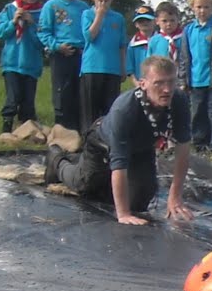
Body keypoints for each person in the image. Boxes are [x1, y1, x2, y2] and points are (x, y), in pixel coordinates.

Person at [47, 55, 193, 226]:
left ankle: (89, 169)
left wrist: (175, 197)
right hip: (103, 145)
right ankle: (56, 159)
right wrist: (123, 214)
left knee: (141, 198)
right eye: (159, 83)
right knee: (84, 185)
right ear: (143, 84)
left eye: (171, 82)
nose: (167, 89)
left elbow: (183, 149)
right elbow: (119, 164)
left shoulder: (179, 100)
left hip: (141, 147)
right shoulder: (125, 109)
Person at [37, 0, 87, 130]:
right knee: (62, 92)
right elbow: (43, 31)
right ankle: (62, 128)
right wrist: (57, 46)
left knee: (80, 92)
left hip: (82, 53)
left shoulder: (84, 8)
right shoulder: (51, 6)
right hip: (61, 53)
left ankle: (81, 129)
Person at [0, 0, 44, 134]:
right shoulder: (9, 9)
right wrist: (13, 22)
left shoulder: (41, 12)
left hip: (31, 64)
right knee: (12, 98)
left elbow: (41, 41)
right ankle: (6, 128)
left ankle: (27, 130)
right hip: (12, 63)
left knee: (28, 101)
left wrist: (31, 24)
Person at [183, 0, 212, 156]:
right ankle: (199, 144)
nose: (202, 10)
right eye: (199, 6)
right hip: (195, 79)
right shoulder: (189, 29)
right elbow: (185, 57)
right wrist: (183, 80)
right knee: (197, 113)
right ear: (192, 7)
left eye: (206, 7)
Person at [78, 0, 126, 130]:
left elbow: (122, 45)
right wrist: (100, 15)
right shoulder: (87, 14)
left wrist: (123, 68)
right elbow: (89, 36)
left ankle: (107, 141)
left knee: (110, 110)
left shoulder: (118, 18)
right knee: (90, 110)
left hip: (112, 69)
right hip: (92, 68)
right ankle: (89, 140)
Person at [146, 2, 189, 90]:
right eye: (164, 21)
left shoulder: (185, 37)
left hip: (182, 80)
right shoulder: (154, 40)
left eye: (172, 20)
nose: (168, 24)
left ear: (178, 20)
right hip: (160, 79)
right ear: (157, 21)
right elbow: (149, 61)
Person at [125, 5, 156, 84]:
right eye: (141, 21)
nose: (145, 23)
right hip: (140, 82)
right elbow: (129, 67)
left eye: (148, 20)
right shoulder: (133, 44)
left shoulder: (161, 40)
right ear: (136, 24)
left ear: (155, 21)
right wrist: (135, 82)